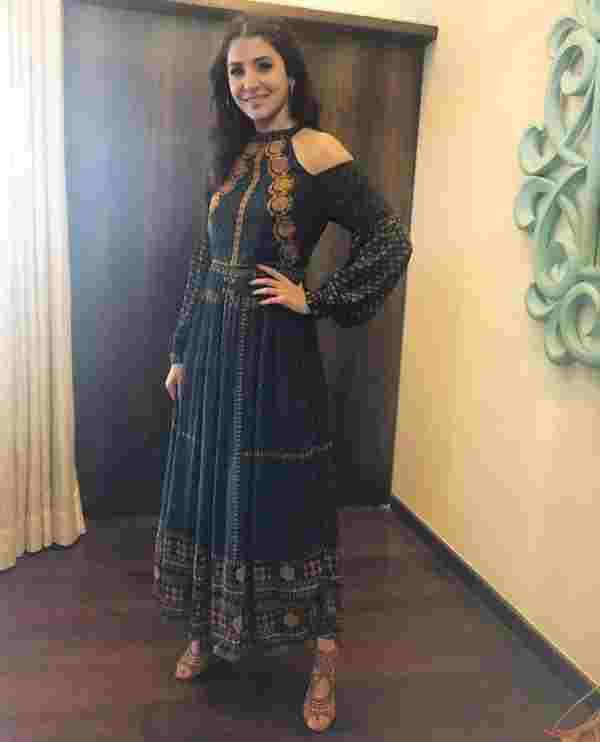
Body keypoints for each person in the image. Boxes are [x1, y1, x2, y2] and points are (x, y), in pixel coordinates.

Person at [153, 13, 412, 733]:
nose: (250, 83)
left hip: (276, 356)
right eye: (236, 71)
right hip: (212, 354)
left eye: (262, 66)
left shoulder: (318, 149)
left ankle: (323, 658)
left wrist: (316, 299)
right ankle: (210, 629)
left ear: (290, 74)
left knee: (289, 498)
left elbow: (389, 239)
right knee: (211, 488)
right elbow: (204, 260)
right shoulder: (229, 155)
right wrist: (180, 349)